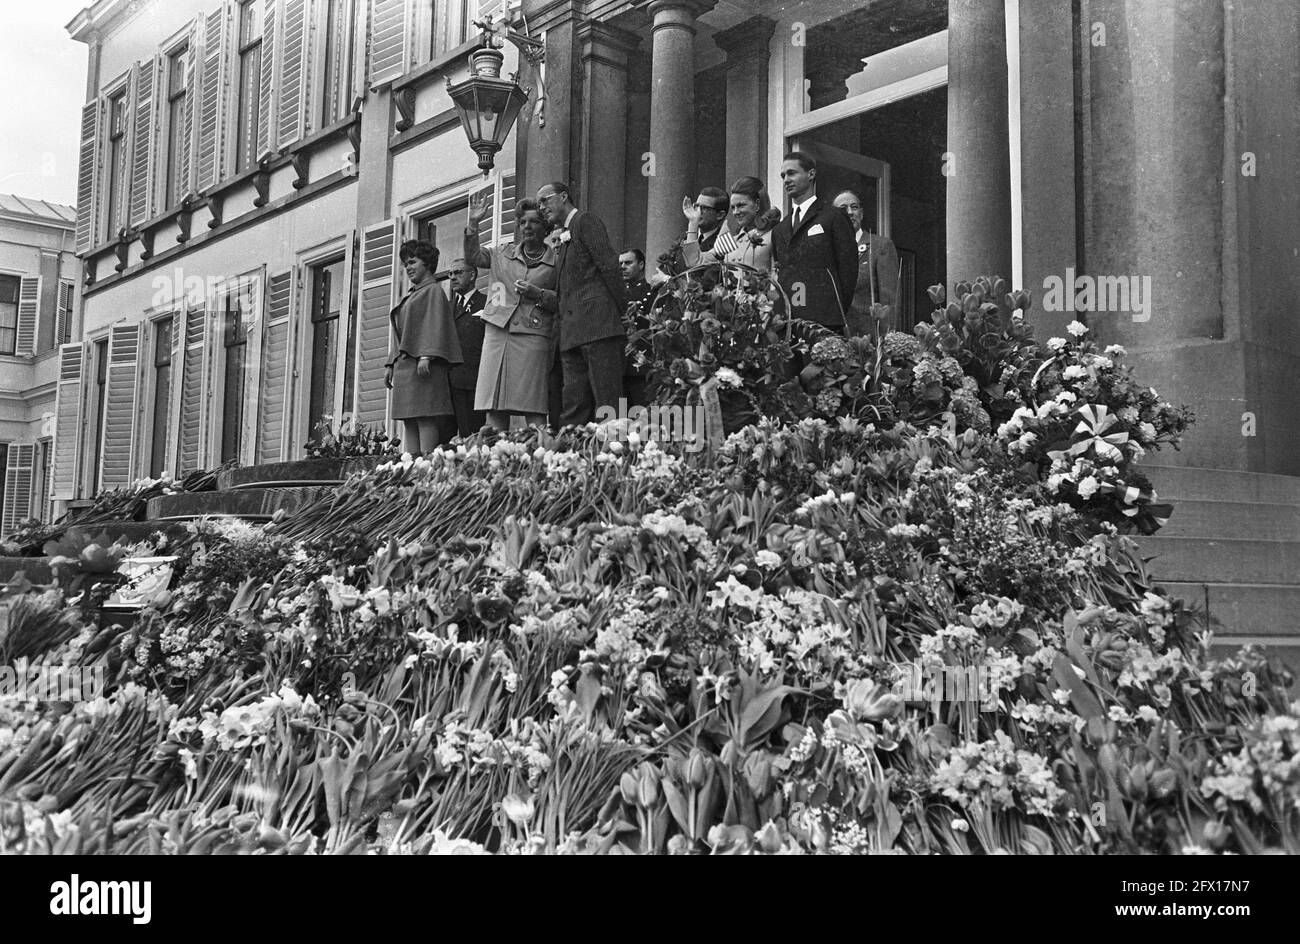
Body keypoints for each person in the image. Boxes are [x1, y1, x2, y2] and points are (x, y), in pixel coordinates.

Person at [463, 193, 558, 430]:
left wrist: (538, 294)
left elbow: (564, 300)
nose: (527, 226)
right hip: (497, 334)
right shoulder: (501, 253)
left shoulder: (556, 260)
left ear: (544, 226)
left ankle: (539, 456)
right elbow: (473, 257)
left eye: (534, 221)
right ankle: (496, 459)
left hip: (533, 335)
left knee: (533, 404)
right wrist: (473, 224)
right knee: (494, 404)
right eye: (523, 222)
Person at [536, 181, 626, 426]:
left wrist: (622, 309)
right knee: (573, 406)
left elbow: (609, 265)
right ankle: (572, 459)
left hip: (598, 326)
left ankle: (617, 456)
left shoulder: (585, 221)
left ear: (564, 196)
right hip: (572, 334)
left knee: (609, 403)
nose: (541, 207)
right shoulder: (564, 237)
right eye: (538, 204)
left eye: (546, 199)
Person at [385, 240, 462, 454]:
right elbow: (401, 331)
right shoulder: (413, 294)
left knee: (425, 417)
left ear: (427, 263)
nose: (408, 268)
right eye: (405, 264)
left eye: (412, 262)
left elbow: (436, 324)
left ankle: (425, 466)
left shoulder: (434, 291)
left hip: (424, 366)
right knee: (409, 419)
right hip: (407, 367)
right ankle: (411, 465)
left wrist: (427, 354)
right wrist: (391, 363)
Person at [770, 152, 859, 331]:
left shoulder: (833, 216)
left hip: (825, 321)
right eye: (783, 175)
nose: (786, 179)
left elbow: (848, 268)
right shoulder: (780, 229)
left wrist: (836, 310)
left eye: (792, 173)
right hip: (789, 324)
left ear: (811, 174)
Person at [832, 189, 900, 335]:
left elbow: (889, 303)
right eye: (843, 208)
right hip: (833, 339)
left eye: (854, 207)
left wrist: (885, 343)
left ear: (861, 214)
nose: (850, 212)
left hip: (868, 341)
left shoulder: (880, 246)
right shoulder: (826, 251)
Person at [682, 176, 779, 272]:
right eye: (733, 207)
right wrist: (693, 222)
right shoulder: (732, 241)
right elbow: (695, 262)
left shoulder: (774, 235)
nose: (736, 212)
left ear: (757, 204)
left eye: (741, 205)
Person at [442, 258, 487, 440]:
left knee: (474, 438)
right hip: (447, 384)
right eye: (450, 274)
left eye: (458, 272)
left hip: (474, 381)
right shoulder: (446, 307)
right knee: (445, 442)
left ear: (473, 275)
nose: (452, 277)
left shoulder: (486, 303)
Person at [620, 248, 655, 409]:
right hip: (618, 365)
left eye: (628, 262)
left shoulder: (651, 293)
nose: (623, 267)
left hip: (639, 366)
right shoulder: (617, 293)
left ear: (641, 265)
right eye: (620, 264)